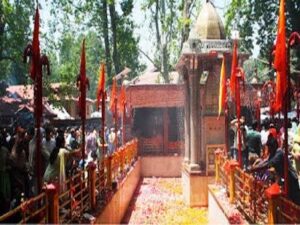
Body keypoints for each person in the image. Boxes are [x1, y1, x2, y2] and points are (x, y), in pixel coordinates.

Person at [251, 135, 300, 205]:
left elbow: (268, 164)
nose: (267, 150)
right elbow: (266, 161)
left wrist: (254, 169)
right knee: (287, 201)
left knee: (295, 201)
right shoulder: (273, 153)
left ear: (272, 147)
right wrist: (254, 167)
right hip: (284, 179)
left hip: (291, 179)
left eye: (268, 147)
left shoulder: (279, 153)